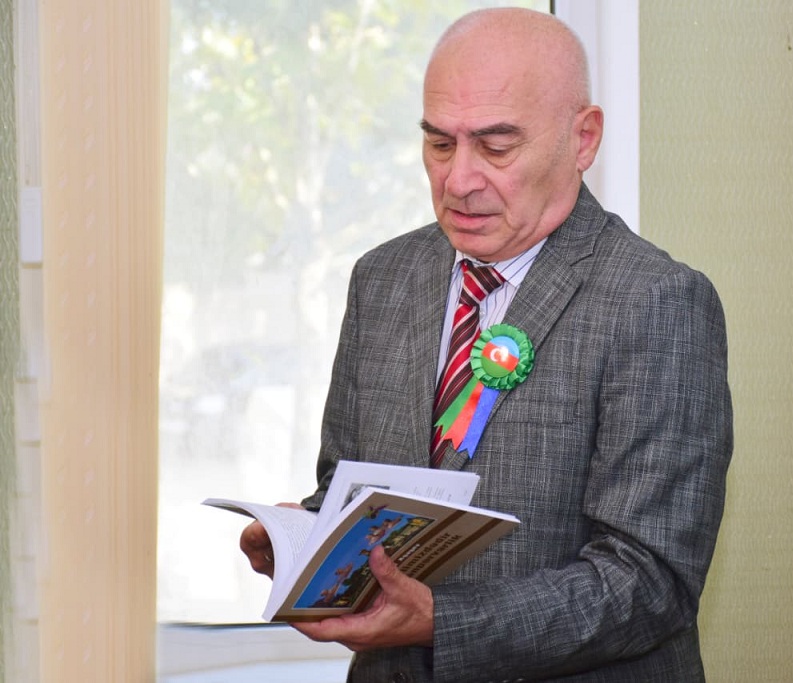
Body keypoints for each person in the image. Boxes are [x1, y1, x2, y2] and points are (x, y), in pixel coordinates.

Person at [239, 7, 732, 682]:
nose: (458, 180)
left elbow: (650, 581)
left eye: (496, 147)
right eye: (440, 144)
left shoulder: (657, 301)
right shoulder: (382, 279)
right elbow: (346, 490)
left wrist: (442, 620)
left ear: (583, 139)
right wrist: (302, 540)